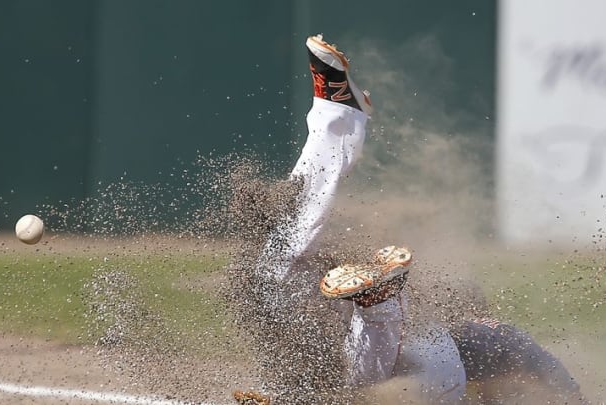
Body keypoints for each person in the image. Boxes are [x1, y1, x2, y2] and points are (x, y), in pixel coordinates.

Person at [233, 34, 586, 405]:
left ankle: (375, 306)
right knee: (278, 267)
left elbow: (544, 371)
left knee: (297, 289)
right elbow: (551, 374)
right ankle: (337, 113)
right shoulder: (461, 334)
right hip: (408, 369)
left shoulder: (463, 337)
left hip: (423, 380)